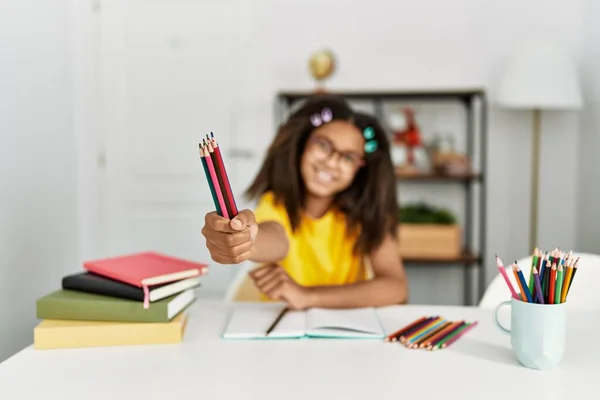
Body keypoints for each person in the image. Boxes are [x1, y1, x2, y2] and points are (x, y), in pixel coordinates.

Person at [201, 94, 408, 309]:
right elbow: (275, 238)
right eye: (323, 145)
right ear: (302, 145)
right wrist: (248, 238)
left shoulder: (367, 213)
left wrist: (309, 296)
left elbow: (396, 287)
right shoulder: (275, 205)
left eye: (348, 157)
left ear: (360, 168)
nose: (331, 162)